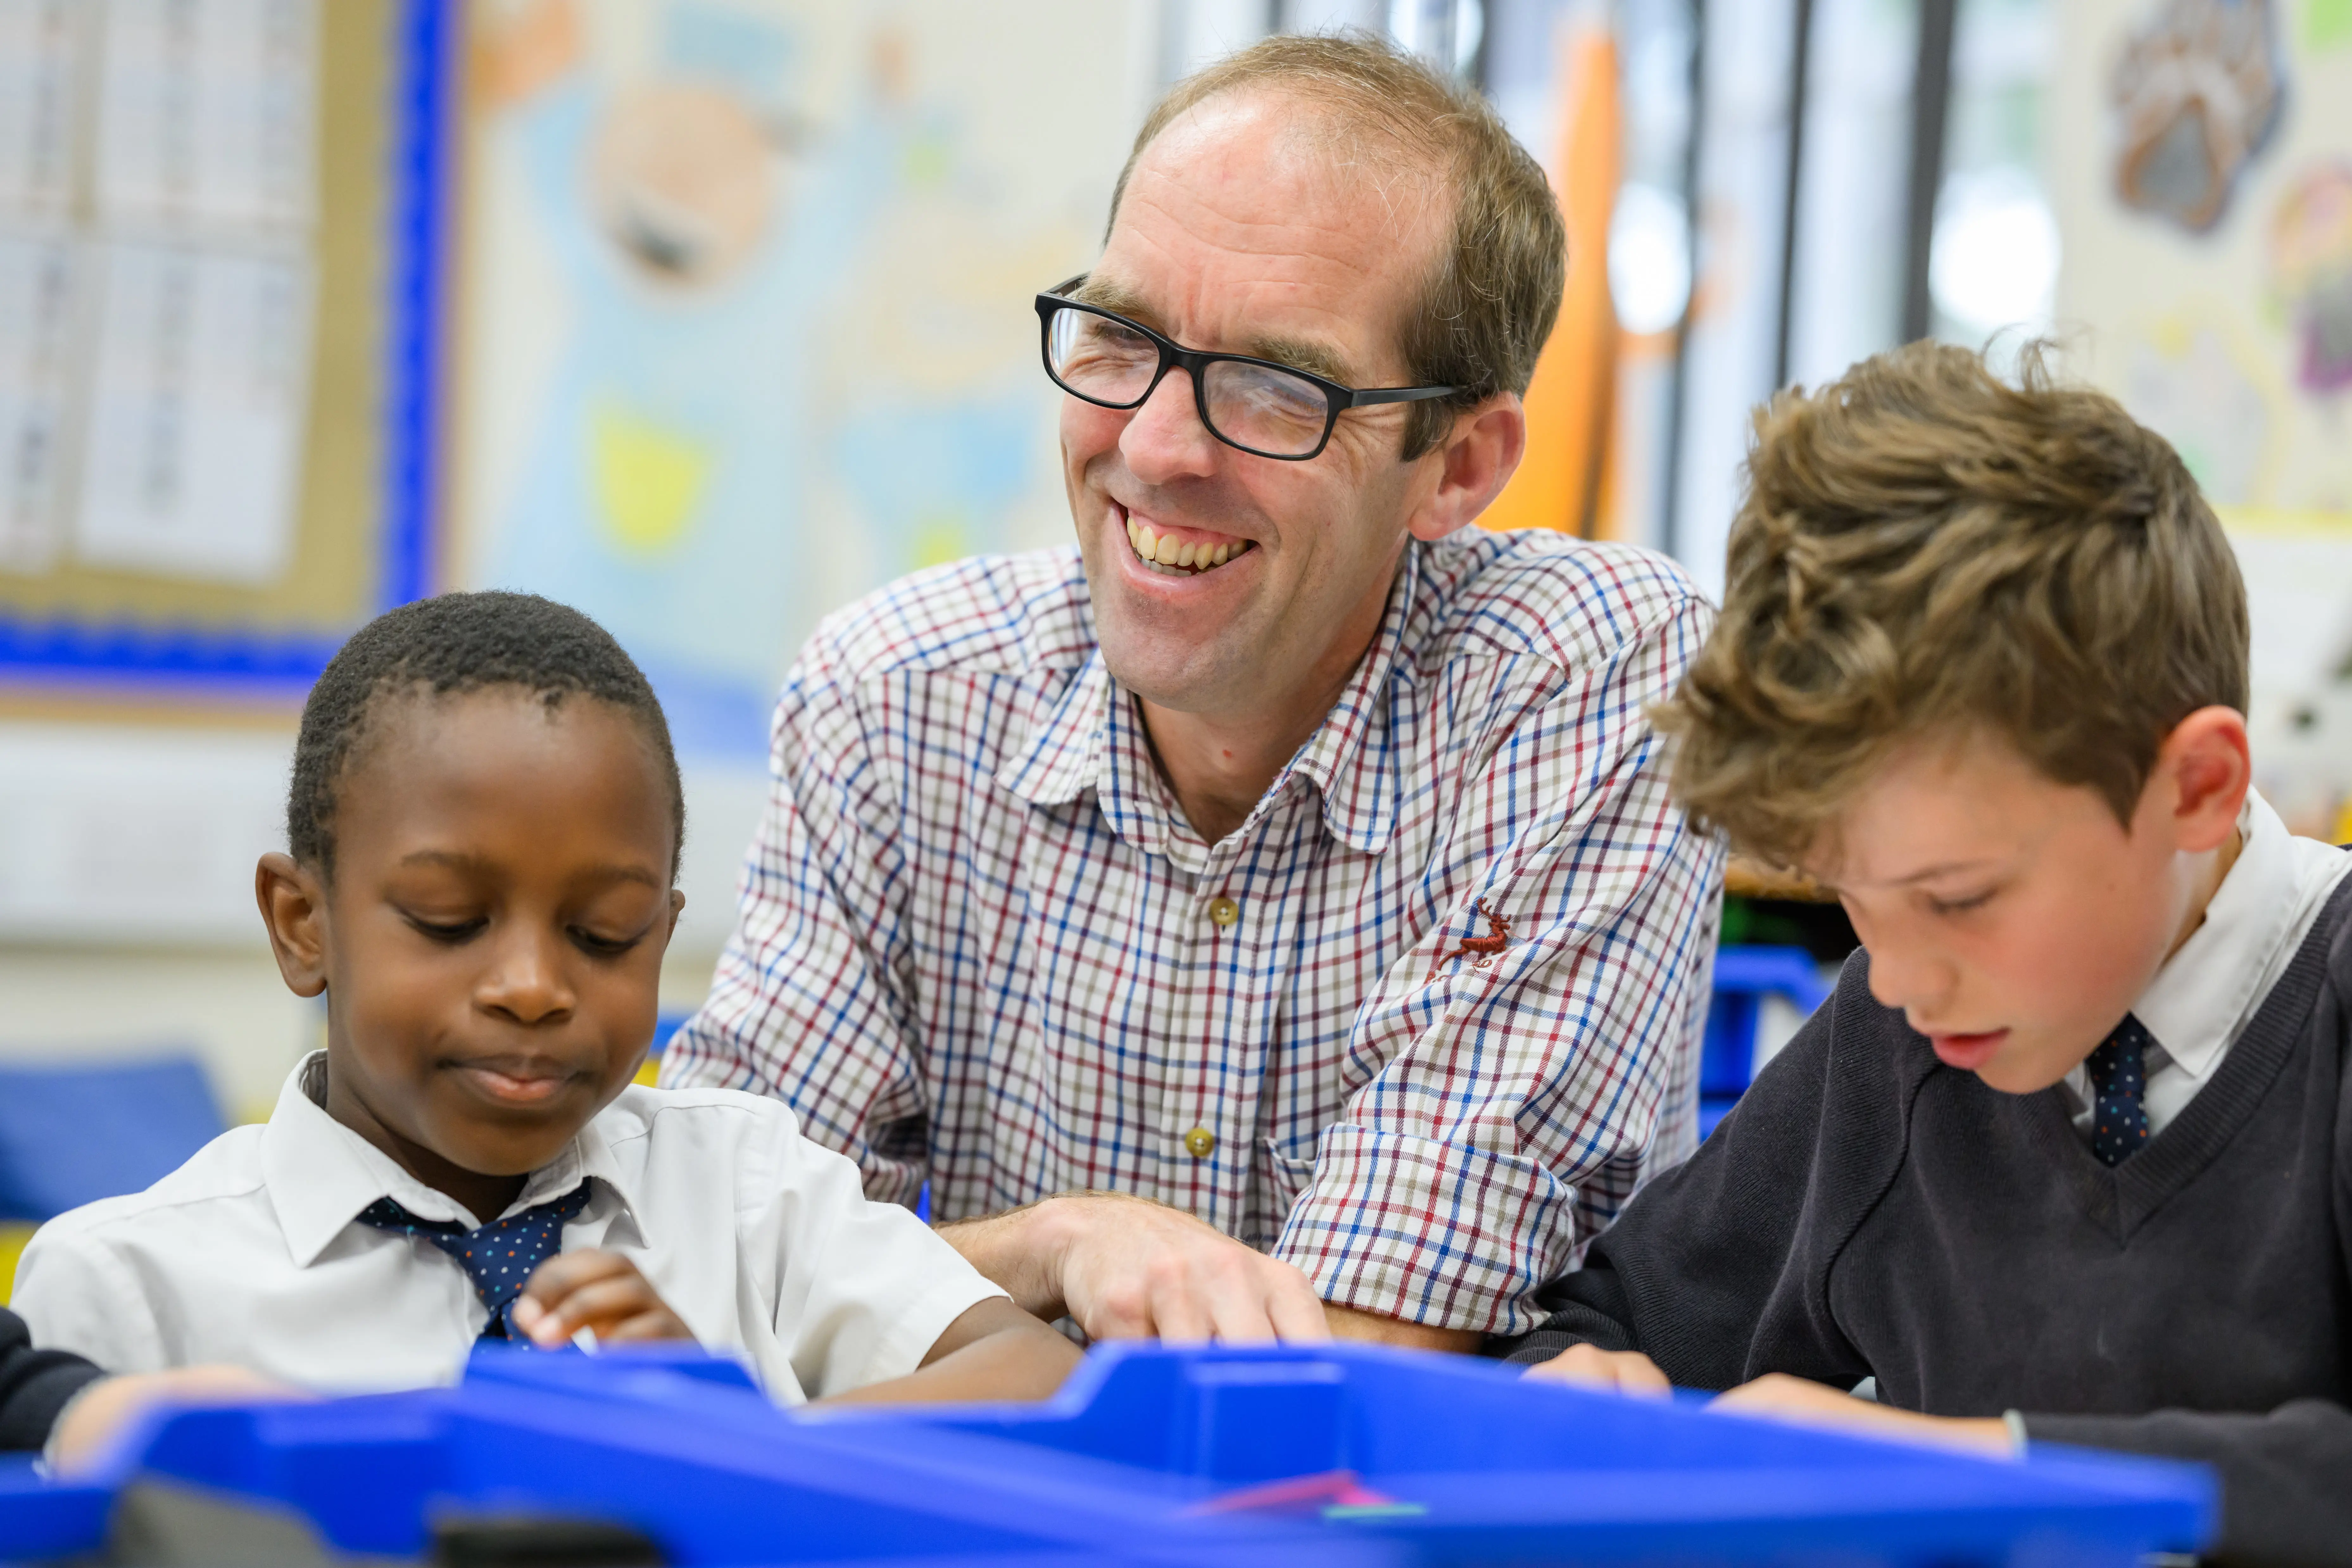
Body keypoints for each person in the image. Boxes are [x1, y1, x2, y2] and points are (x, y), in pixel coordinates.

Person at [661, 35, 1725, 1350]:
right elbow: (693, 1278)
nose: (1155, 449)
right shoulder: (896, 698)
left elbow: (1352, 1357)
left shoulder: (1579, 679)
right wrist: (1061, 1243)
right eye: (1118, 338)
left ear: (1457, 465)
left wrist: (915, 1296)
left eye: (1277, 386)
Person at [1498, 343, 2352, 1567]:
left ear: (2198, 787)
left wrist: (1969, 1466)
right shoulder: (1894, 1044)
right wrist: (1580, 1395)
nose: (1895, 978)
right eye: (1852, 897)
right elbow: (1604, 1323)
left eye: (1956, 898)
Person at [12, 593, 1078, 1407]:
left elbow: (1030, 1375)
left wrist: (723, 1439)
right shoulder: (128, 1285)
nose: (532, 988)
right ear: (303, 924)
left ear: (660, 930)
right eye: (447, 919)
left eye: (602, 935)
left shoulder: (749, 1195)